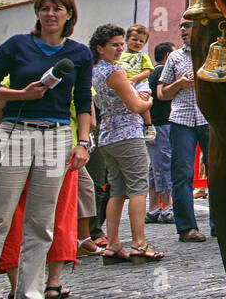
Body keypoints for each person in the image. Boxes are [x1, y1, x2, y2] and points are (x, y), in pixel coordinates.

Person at [0, 0, 93, 299]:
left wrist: (83, 142)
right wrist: (20, 93)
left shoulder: (78, 54)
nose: (50, 13)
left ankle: (29, 298)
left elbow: (82, 100)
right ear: (37, 13)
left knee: (40, 224)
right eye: (44, 8)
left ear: (69, 15)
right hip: (15, 133)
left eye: (58, 8)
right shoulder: (16, 45)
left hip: (57, 136)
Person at [89, 24, 163, 263]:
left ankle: (112, 245)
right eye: (115, 44)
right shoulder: (114, 72)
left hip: (107, 136)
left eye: (121, 44)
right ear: (100, 48)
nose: (120, 48)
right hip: (127, 135)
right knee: (138, 188)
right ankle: (139, 244)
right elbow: (135, 106)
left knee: (117, 190)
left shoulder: (95, 70)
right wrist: (148, 101)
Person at [157, 20, 212, 242]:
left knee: (216, 173)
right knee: (182, 174)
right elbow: (162, 94)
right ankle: (187, 227)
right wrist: (179, 83)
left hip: (209, 117)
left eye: (188, 25)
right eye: (181, 26)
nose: (182, 30)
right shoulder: (175, 58)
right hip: (182, 119)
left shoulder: (213, 52)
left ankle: (220, 225)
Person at [145, 41, 176, 223]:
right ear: (167, 56)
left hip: (156, 124)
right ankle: (167, 207)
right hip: (161, 124)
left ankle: (153, 208)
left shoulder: (154, 72)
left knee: (155, 167)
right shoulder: (161, 71)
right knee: (164, 164)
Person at [117, 24, 156, 142]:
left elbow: (147, 71)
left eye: (141, 41)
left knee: (143, 101)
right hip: (125, 82)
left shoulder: (143, 56)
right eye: (134, 39)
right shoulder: (120, 55)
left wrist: (135, 79)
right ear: (127, 40)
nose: (137, 43)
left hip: (140, 83)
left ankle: (148, 124)